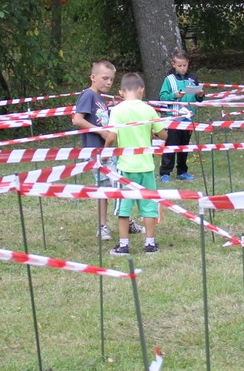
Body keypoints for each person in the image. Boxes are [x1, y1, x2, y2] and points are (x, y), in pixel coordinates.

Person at [73, 60, 140, 239]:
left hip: (106, 151)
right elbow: (77, 119)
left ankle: (105, 225)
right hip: (95, 151)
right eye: (104, 78)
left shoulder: (99, 99)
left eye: (111, 79)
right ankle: (124, 220)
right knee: (117, 184)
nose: (108, 82)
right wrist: (102, 133)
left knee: (105, 187)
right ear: (93, 77)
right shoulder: (88, 95)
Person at [108, 72, 166, 256]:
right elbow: (164, 134)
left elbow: (112, 135)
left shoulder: (117, 110)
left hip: (125, 167)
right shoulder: (149, 109)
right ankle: (150, 243)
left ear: (121, 92)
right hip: (146, 166)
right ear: (142, 90)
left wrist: (104, 150)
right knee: (149, 207)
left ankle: (123, 245)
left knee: (123, 208)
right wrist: (153, 133)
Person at [158, 48, 201, 183]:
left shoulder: (193, 79)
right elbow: (162, 97)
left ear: (188, 63)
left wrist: (200, 95)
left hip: (188, 119)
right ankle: (165, 172)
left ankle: (182, 171)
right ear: (174, 65)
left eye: (184, 65)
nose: (182, 68)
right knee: (171, 145)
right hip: (174, 119)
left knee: (184, 146)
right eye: (179, 66)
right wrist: (174, 96)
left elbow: (198, 98)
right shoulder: (169, 80)